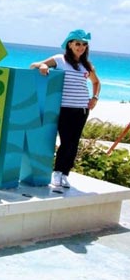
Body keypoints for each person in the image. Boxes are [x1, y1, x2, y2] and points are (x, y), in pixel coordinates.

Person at [30, 29, 101, 188]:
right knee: (66, 141)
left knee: (74, 143)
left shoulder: (87, 65)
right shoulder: (59, 59)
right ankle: (57, 172)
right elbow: (34, 65)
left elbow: (96, 82)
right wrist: (43, 66)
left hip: (82, 109)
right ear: (70, 45)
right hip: (64, 108)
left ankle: (65, 174)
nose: (81, 47)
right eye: (77, 44)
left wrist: (95, 98)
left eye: (84, 44)